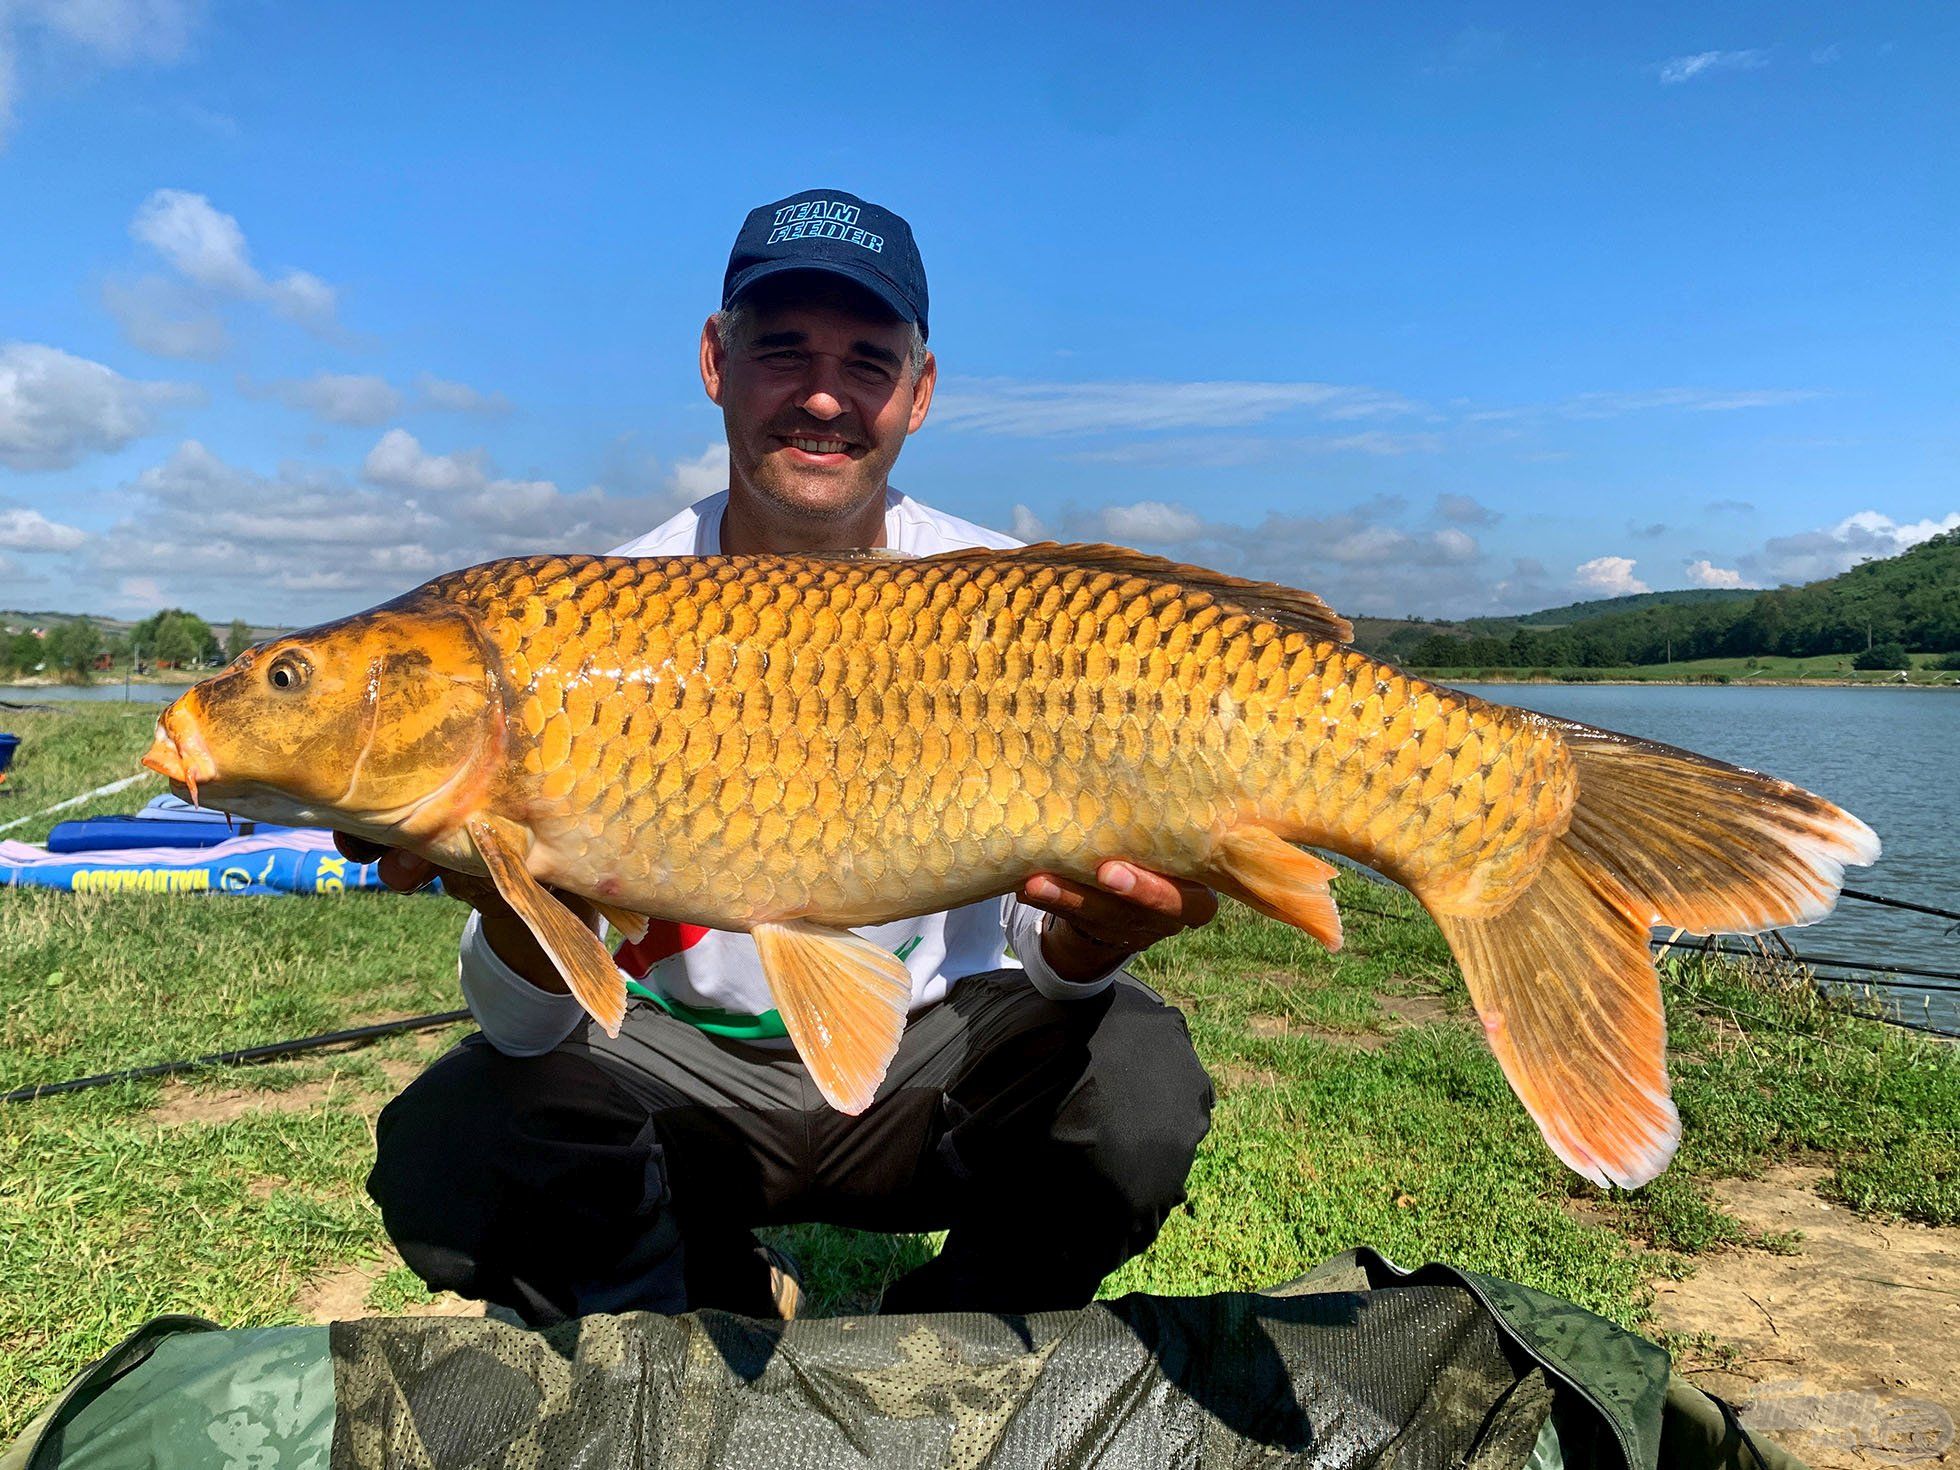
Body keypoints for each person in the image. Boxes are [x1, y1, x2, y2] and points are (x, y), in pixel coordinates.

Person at [347, 189, 1218, 1325]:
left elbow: (1045, 962)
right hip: (690, 1082)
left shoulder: (1014, 605)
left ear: (920, 388)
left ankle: (939, 1343)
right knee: (458, 1139)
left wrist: (1095, 935)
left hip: (929, 1063)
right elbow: (524, 1030)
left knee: (1137, 1079)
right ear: (715, 360)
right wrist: (511, 892)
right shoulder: (586, 622)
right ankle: (705, 1302)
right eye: (781, 352)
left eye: (867, 361)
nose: (822, 397)